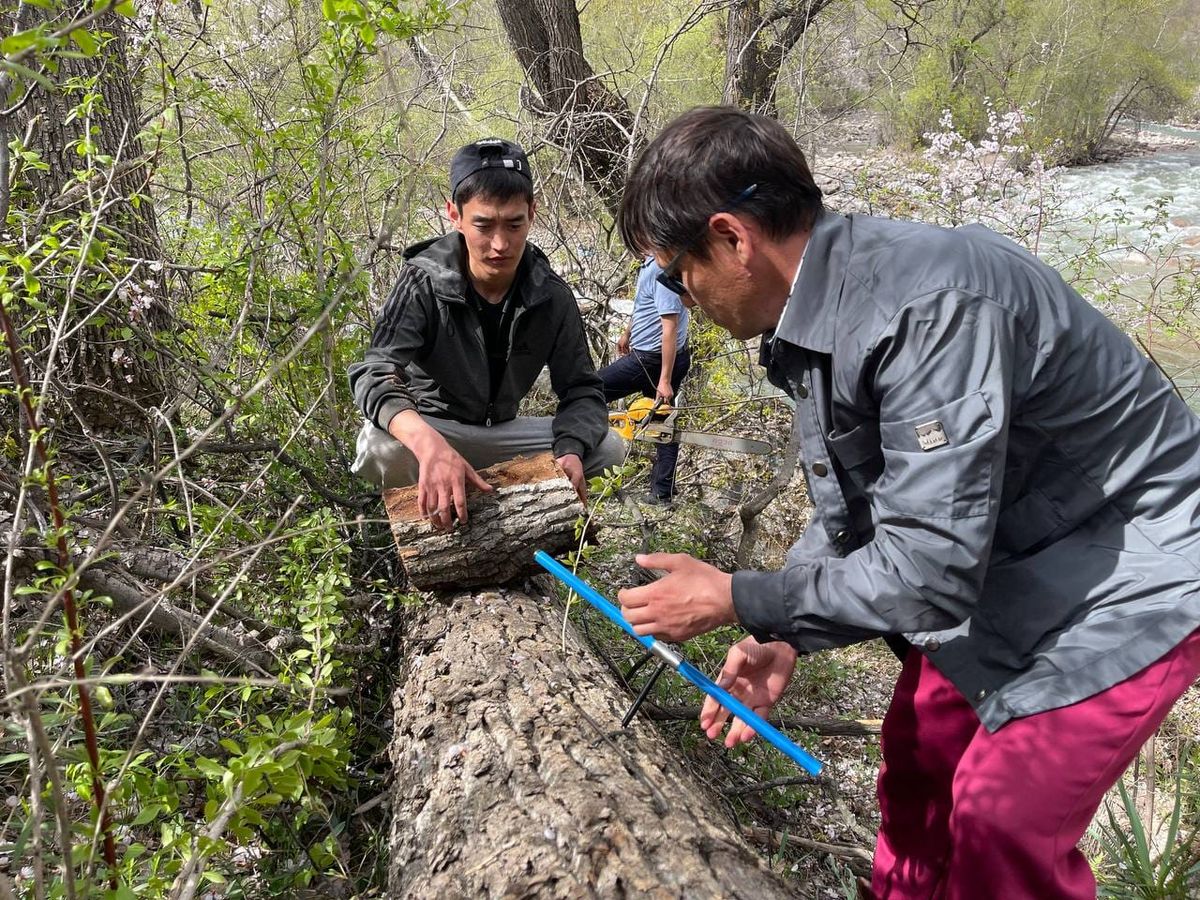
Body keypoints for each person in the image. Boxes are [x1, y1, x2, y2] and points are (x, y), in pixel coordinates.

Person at [612, 107, 1200, 899]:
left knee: (1003, 823)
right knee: (920, 756)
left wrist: (735, 596)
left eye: (678, 270)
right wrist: (779, 629)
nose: (685, 292)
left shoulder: (925, 306)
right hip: (1012, 554)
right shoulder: (822, 308)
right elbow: (854, 511)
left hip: (1139, 568)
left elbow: (928, 572)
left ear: (732, 239)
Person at [349, 137, 624, 529]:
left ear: (532, 212)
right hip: (436, 427)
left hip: (504, 435)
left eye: (514, 224)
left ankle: (505, 520)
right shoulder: (422, 282)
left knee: (609, 448)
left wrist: (570, 450)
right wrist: (430, 446)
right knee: (379, 448)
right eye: (483, 225)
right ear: (454, 215)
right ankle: (427, 520)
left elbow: (582, 390)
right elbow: (374, 371)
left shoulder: (551, 295)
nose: (500, 244)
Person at [598, 257, 690, 503]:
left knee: (589, 391)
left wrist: (665, 379)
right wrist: (628, 332)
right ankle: (662, 492)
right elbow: (643, 304)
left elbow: (670, 326)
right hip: (652, 356)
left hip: (653, 359)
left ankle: (591, 462)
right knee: (662, 419)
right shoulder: (648, 264)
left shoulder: (663, 267)